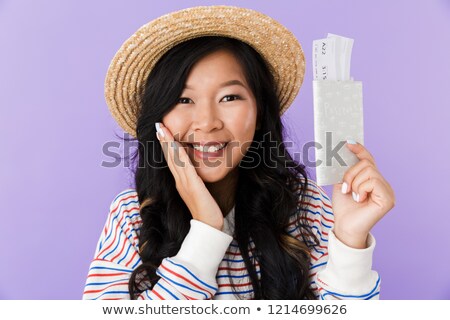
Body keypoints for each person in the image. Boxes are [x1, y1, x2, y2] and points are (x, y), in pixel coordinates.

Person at [83, 5, 395, 300]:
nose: (207, 123)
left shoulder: (304, 207)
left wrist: (350, 239)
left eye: (230, 97)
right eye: (183, 99)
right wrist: (206, 229)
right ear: (158, 120)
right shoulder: (131, 215)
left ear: (260, 114)